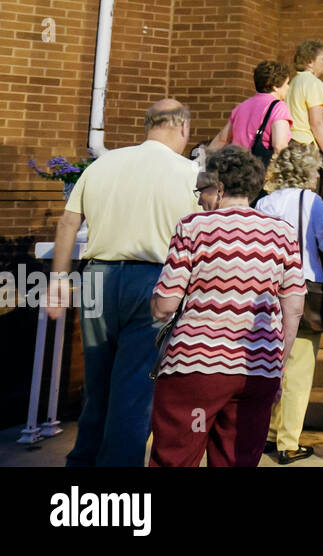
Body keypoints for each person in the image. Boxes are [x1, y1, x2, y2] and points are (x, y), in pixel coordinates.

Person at [46, 100, 200, 467]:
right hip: (153, 282)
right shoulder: (190, 172)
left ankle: (82, 466)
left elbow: (68, 223)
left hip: (96, 279)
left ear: (148, 125)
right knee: (134, 393)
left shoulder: (103, 164)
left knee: (97, 387)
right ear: (183, 129)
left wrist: (56, 282)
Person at [148, 146, 305, 468]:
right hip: (256, 372)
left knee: (176, 458)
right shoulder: (283, 233)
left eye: (203, 189)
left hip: (194, 371)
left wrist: (155, 301)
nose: (199, 198)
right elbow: (294, 309)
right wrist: (278, 364)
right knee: (238, 460)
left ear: (219, 187)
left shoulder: (193, 228)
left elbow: (164, 306)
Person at [256, 143, 323, 464]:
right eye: (313, 168)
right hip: (305, 288)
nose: (317, 174)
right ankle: (287, 442)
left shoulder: (265, 202)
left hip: (267, 290)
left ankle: (268, 434)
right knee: (299, 369)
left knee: (272, 366)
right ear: (304, 171)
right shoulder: (312, 202)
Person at [208, 60, 293, 158]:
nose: (288, 87)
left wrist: (202, 161)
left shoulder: (242, 106)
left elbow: (222, 139)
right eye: (287, 83)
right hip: (260, 168)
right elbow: (279, 146)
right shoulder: (278, 107)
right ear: (275, 87)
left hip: (237, 165)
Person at [287, 39, 323, 180]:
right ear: (309, 62)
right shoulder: (314, 83)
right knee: (306, 197)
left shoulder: (293, 82)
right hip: (306, 148)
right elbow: (316, 122)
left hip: (290, 143)